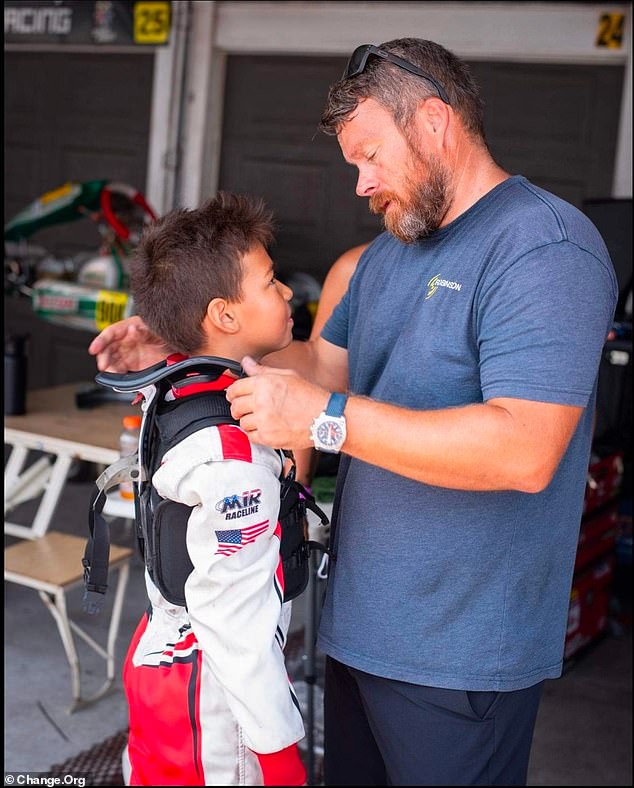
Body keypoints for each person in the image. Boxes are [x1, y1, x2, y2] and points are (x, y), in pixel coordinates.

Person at [89, 39, 618, 787]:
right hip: (358, 629)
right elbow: (316, 367)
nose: (362, 184)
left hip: (460, 653)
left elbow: (525, 450)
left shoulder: (543, 248)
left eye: (371, 156)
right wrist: (187, 347)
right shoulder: (387, 257)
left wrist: (325, 420)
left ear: (435, 123)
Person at [114, 192, 306, 786]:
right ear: (224, 315)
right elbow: (235, 618)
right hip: (213, 707)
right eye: (272, 281)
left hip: (158, 663)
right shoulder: (232, 452)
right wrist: (279, 758)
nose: (288, 293)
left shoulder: (175, 392)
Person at [293, 242, 369, 487]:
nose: (286, 292)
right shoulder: (356, 267)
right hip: (360, 498)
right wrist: (299, 492)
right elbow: (318, 379)